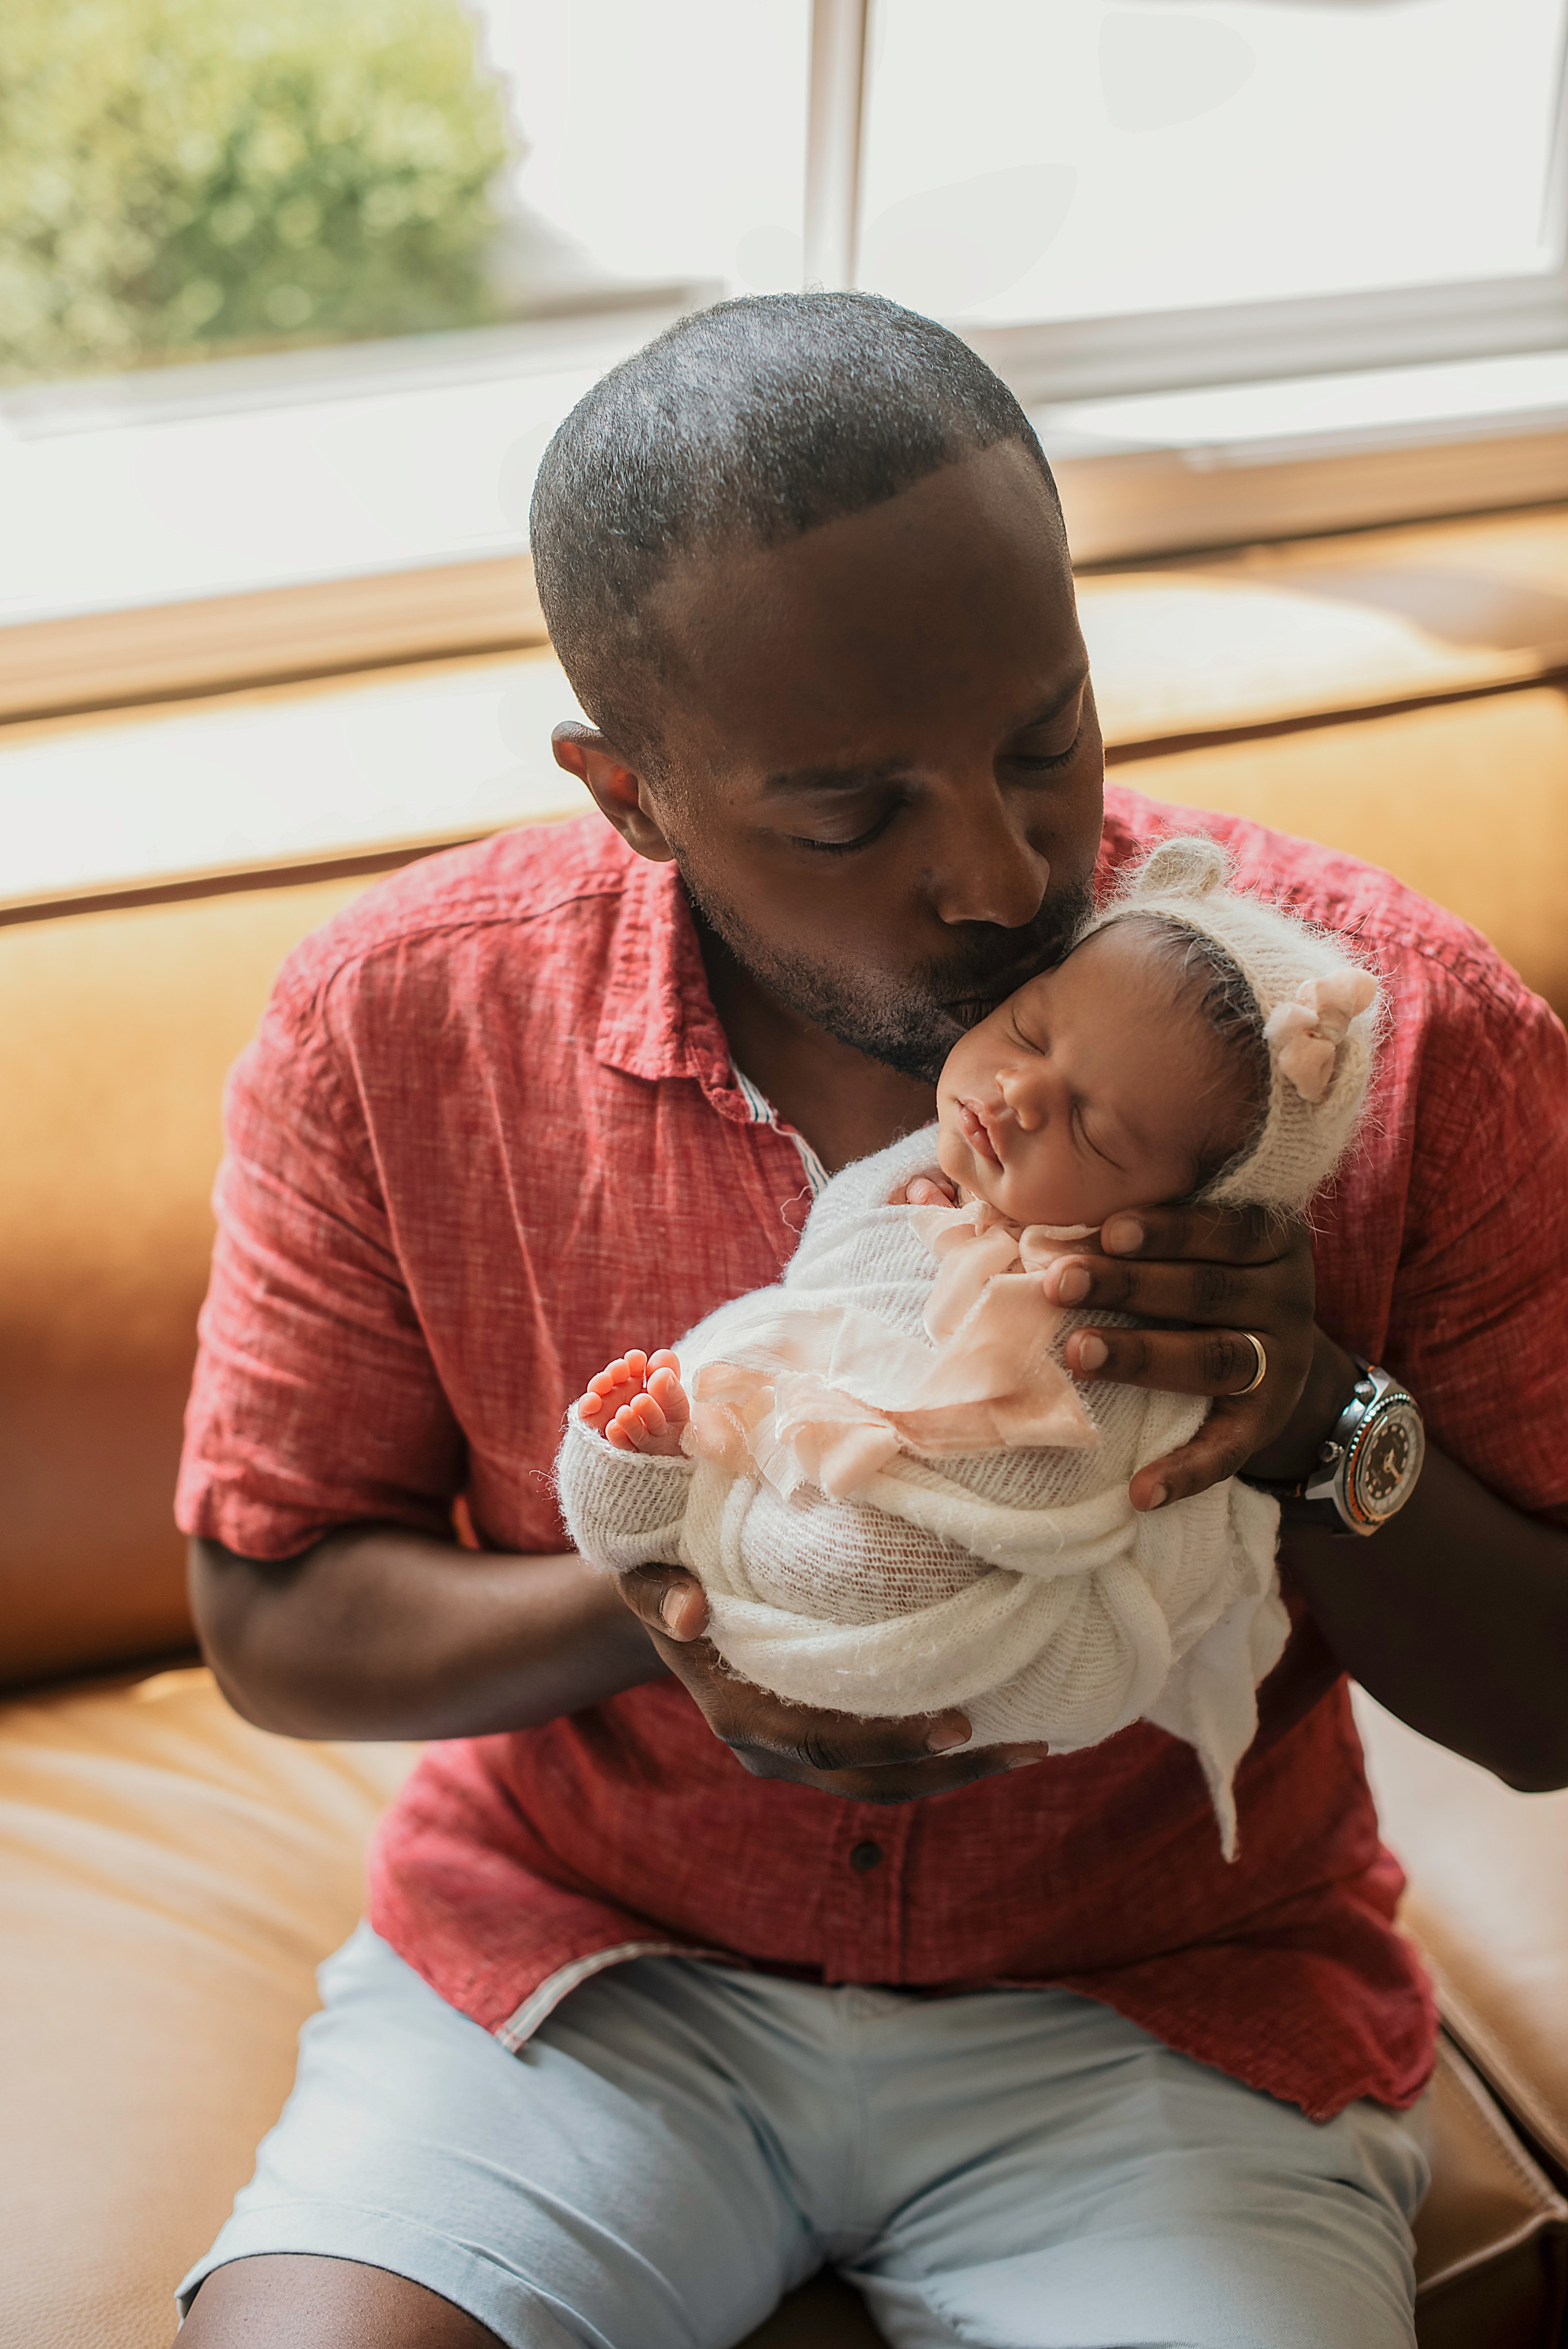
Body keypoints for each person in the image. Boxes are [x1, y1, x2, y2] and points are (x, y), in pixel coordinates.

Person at [172, 293, 1568, 2349]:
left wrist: (1312, 1413)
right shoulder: (399, 1025)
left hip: (1165, 2012)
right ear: (631, 792)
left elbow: (1550, 1708)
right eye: (851, 817)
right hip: (582, 1977)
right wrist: (672, 1603)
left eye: (1046, 740)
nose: (1003, 872)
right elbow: (271, 1619)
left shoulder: (1393, 1032)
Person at [558, 836, 1384, 1860]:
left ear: (1183, 1212)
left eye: (1094, 1129)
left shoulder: (1135, 1312)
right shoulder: (905, 1175)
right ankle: (639, 1462)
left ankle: (756, 1559)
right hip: (801, 1458)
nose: (1020, 1096)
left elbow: (1074, 1477)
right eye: (1030, 1032)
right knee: (650, 1439)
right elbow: (818, 1294)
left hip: (996, 1583)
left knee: (897, 1578)